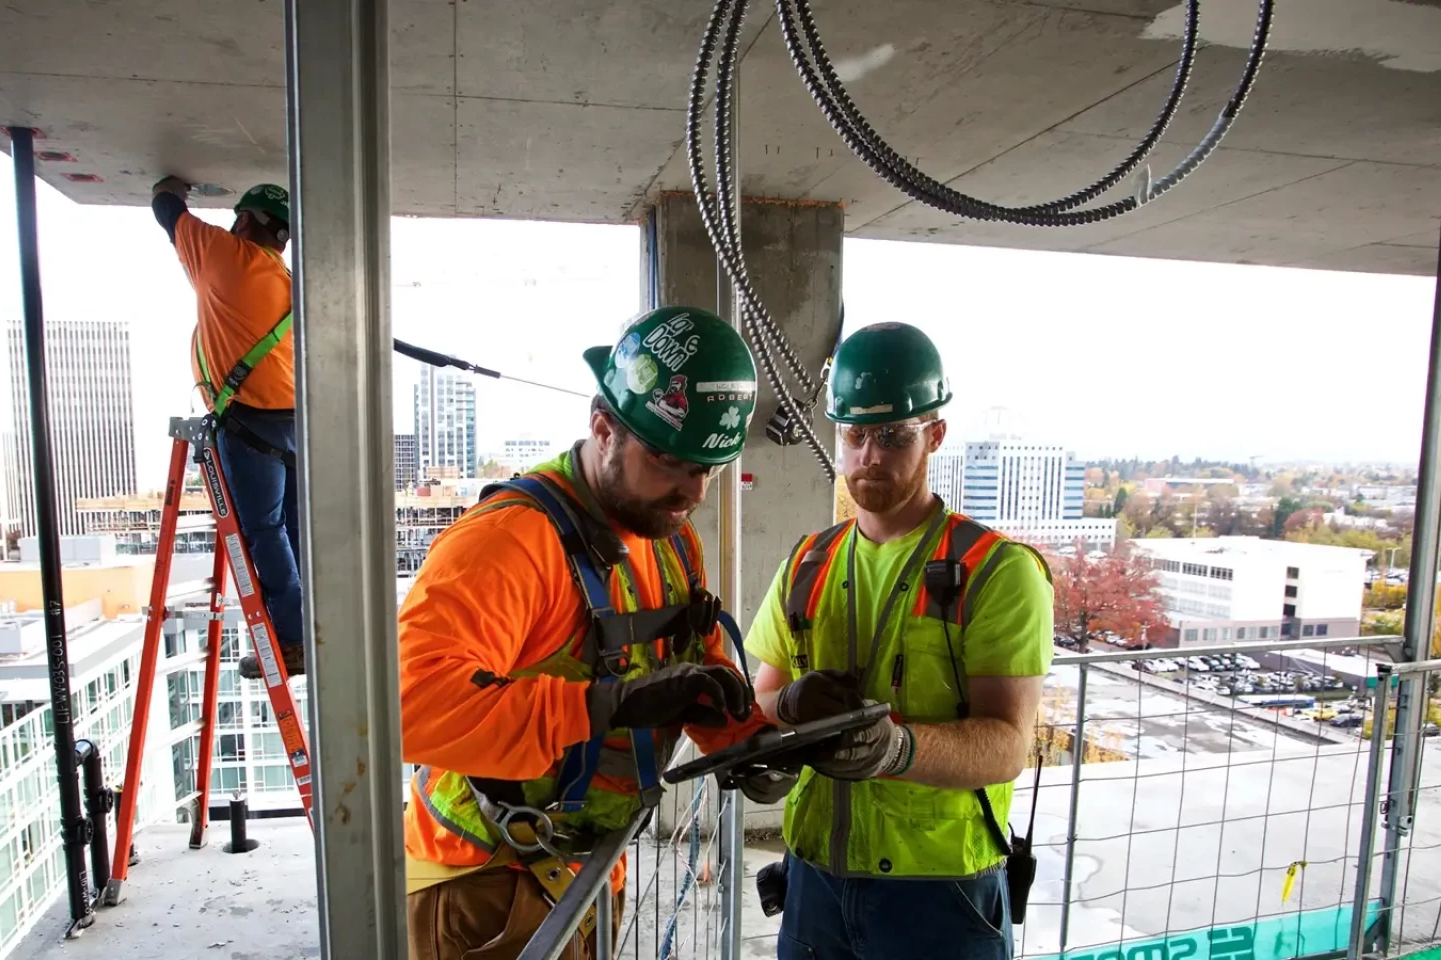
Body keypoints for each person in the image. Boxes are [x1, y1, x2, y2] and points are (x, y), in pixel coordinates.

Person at [398, 306, 795, 960]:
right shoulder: (511, 542)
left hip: (588, 872)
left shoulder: (671, 535)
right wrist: (602, 706)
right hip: (485, 884)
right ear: (604, 427)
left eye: (709, 468)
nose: (691, 491)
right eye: (668, 460)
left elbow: (697, 671)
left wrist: (754, 741)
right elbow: (408, 708)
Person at [746, 321, 1054, 960]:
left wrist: (896, 748)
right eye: (855, 436)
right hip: (813, 880)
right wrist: (793, 707)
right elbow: (765, 697)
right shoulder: (810, 563)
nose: (870, 457)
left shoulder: (996, 571)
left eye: (893, 436)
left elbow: (1006, 745)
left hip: (940, 892)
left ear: (935, 433)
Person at [151, 177, 304, 679]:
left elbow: (165, 208)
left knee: (265, 532)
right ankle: (314, 628)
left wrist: (174, 187)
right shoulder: (289, 283)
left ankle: (292, 640)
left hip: (249, 424)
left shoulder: (222, 254)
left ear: (243, 221)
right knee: (298, 531)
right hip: (296, 423)